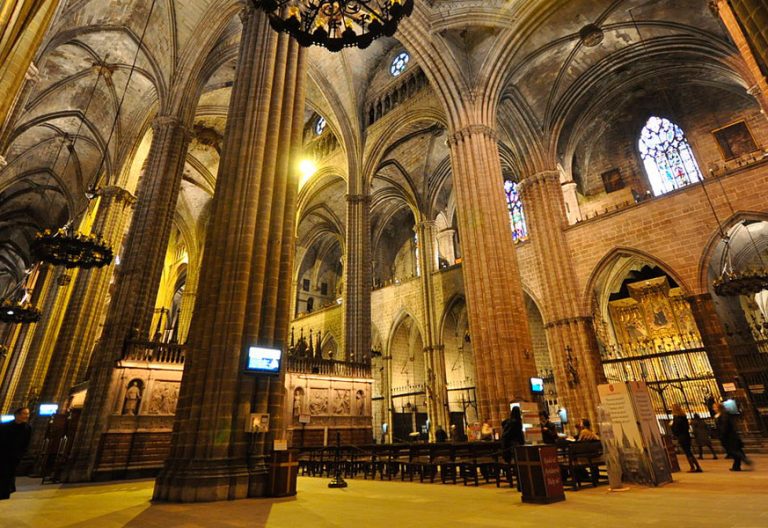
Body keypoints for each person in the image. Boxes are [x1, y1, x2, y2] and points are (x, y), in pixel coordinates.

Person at [0, 407, 32, 500]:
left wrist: (21, 455)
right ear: (17, 415)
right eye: (24, 413)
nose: (26, 416)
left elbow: (26, 442)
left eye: (27, 414)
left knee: (9, 475)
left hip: (15, 456)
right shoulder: (4, 426)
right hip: (3, 454)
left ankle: (5, 493)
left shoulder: (28, 428)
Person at [715, 402, 751, 471]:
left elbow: (724, 426)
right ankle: (736, 466)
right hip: (730, 436)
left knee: (732, 450)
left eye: (715, 407)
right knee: (734, 450)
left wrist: (722, 434)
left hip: (729, 436)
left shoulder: (723, 415)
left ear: (719, 408)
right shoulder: (722, 415)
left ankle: (744, 459)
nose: (714, 408)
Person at [670, 404, 702, 473]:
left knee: (687, 452)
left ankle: (692, 467)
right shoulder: (683, 416)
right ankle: (698, 466)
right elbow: (686, 427)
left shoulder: (676, 418)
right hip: (686, 436)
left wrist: (671, 426)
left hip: (682, 437)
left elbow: (676, 429)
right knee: (689, 452)